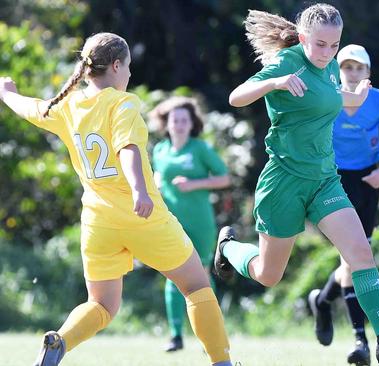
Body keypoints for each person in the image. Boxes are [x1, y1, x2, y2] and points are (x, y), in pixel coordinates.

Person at [0, 33, 231, 366]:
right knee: (196, 286)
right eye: (129, 67)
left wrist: (8, 94)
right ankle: (222, 362)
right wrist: (138, 188)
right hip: (142, 216)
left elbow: (32, 108)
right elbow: (128, 148)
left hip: (98, 222)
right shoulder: (122, 103)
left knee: (103, 305)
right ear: (117, 65)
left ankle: (60, 342)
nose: (130, 75)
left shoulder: (69, 105)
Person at [213, 4, 379, 364]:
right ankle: (229, 247)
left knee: (360, 253)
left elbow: (325, 97)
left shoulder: (327, 70)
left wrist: (352, 99)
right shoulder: (288, 63)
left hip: (325, 181)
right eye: (321, 45)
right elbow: (235, 97)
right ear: (305, 37)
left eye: (334, 45)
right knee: (267, 274)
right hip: (284, 183)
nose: (328, 53)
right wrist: (274, 82)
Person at [306, 44, 379, 366]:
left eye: (358, 68)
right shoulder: (328, 97)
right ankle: (360, 340)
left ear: (367, 73)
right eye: (347, 67)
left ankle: (322, 301)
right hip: (333, 179)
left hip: (369, 180)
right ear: (338, 70)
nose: (352, 73)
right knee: (353, 257)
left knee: (354, 258)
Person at [150, 96, 231, 352]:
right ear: (167, 123)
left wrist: (194, 184)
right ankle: (175, 335)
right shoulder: (160, 150)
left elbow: (224, 178)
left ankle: (212, 336)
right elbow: (156, 177)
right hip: (171, 224)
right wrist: (156, 183)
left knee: (202, 276)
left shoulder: (200, 149)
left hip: (200, 223)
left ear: (191, 123)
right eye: (175, 120)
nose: (180, 124)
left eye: (184, 120)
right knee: (173, 276)